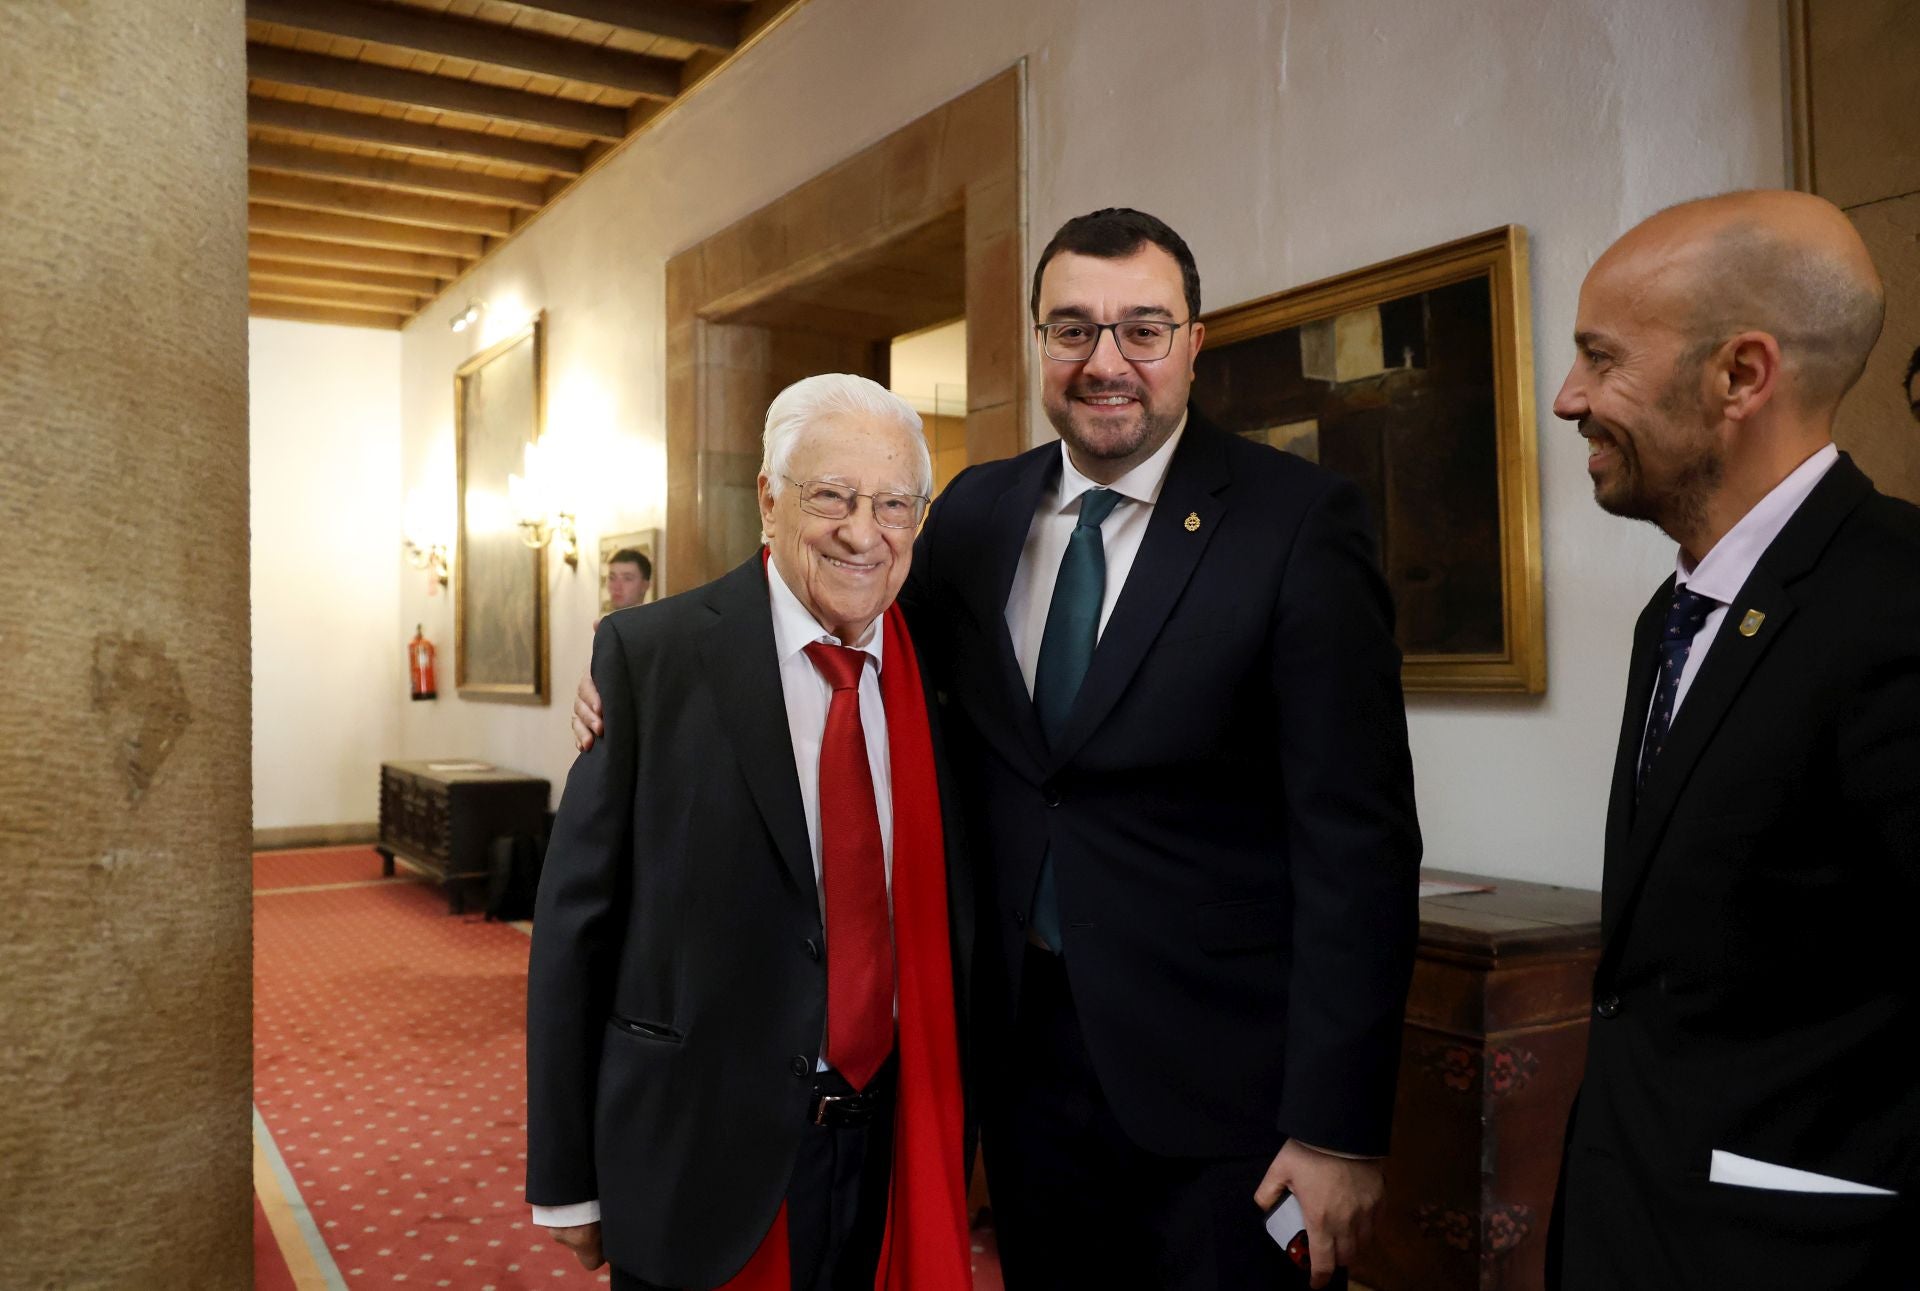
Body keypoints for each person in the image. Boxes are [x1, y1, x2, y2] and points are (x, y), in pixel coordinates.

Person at [579, 208, 1422, 1290]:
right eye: (1072, 329)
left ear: (1193, 344)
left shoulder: (1297, 522)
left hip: (1228, 1104)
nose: (1105, 361)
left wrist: (1338, 1126)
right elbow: (840, 610)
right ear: (1038, 344)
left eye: (1142, 330)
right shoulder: (976, 511)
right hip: (1020, 1079)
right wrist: (653, 671)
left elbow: (1360, 845)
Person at [1546, 189, 1919, 1289]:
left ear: (1741, 376)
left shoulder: (1896, 602)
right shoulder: (1672, 616)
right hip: (1630, 1223)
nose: (1569, 397)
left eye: (1602, 358)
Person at [529, 373, 974, 1291]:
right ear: (769, 498)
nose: (863, 532)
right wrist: (567, 1177)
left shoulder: (947, 669)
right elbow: (577, 930)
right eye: (832, 496)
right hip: (700, 1150)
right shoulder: (652, 657)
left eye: (894, 503)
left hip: (889, 1142)